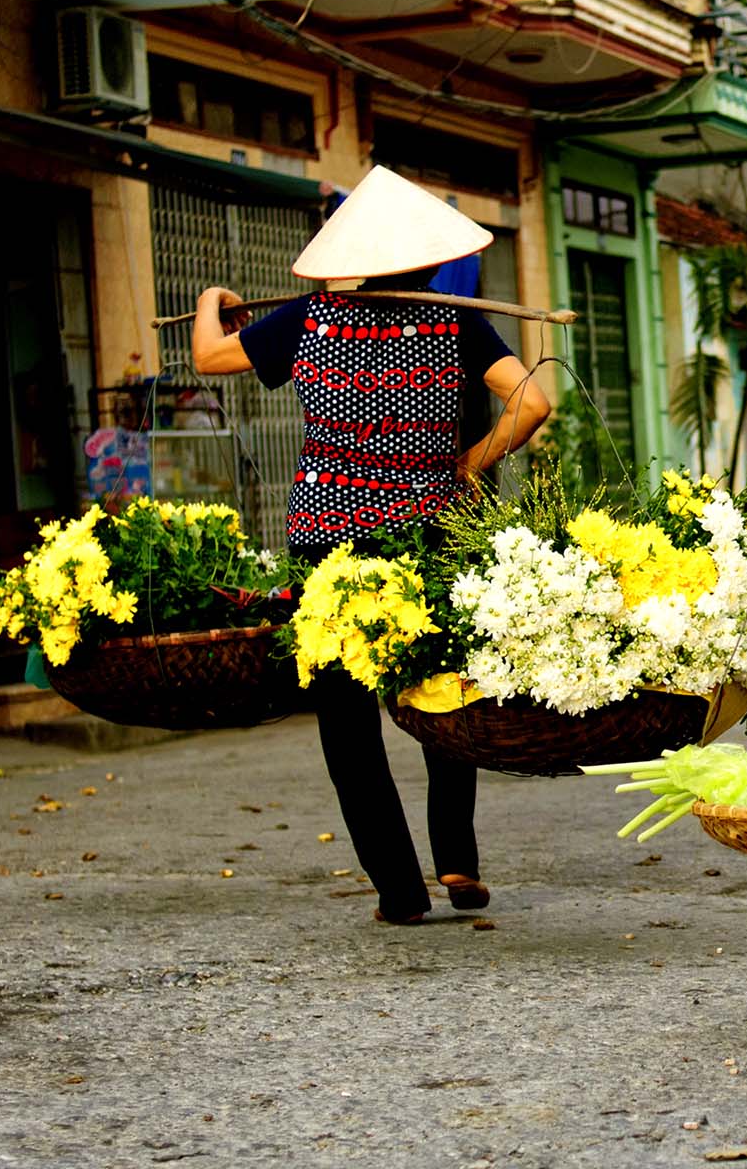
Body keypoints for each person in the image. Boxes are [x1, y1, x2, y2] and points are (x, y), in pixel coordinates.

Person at [191, 166, 551, 924]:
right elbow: (534, 400)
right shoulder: (455, 321)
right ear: (428, 258)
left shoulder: (311, 319)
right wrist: (471, 461)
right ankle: (456, 859)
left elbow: (210, 360)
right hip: (429, 533)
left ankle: (398, 889)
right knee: (442, 694)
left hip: (331, 542)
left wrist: (209, 306)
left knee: (347, 717)